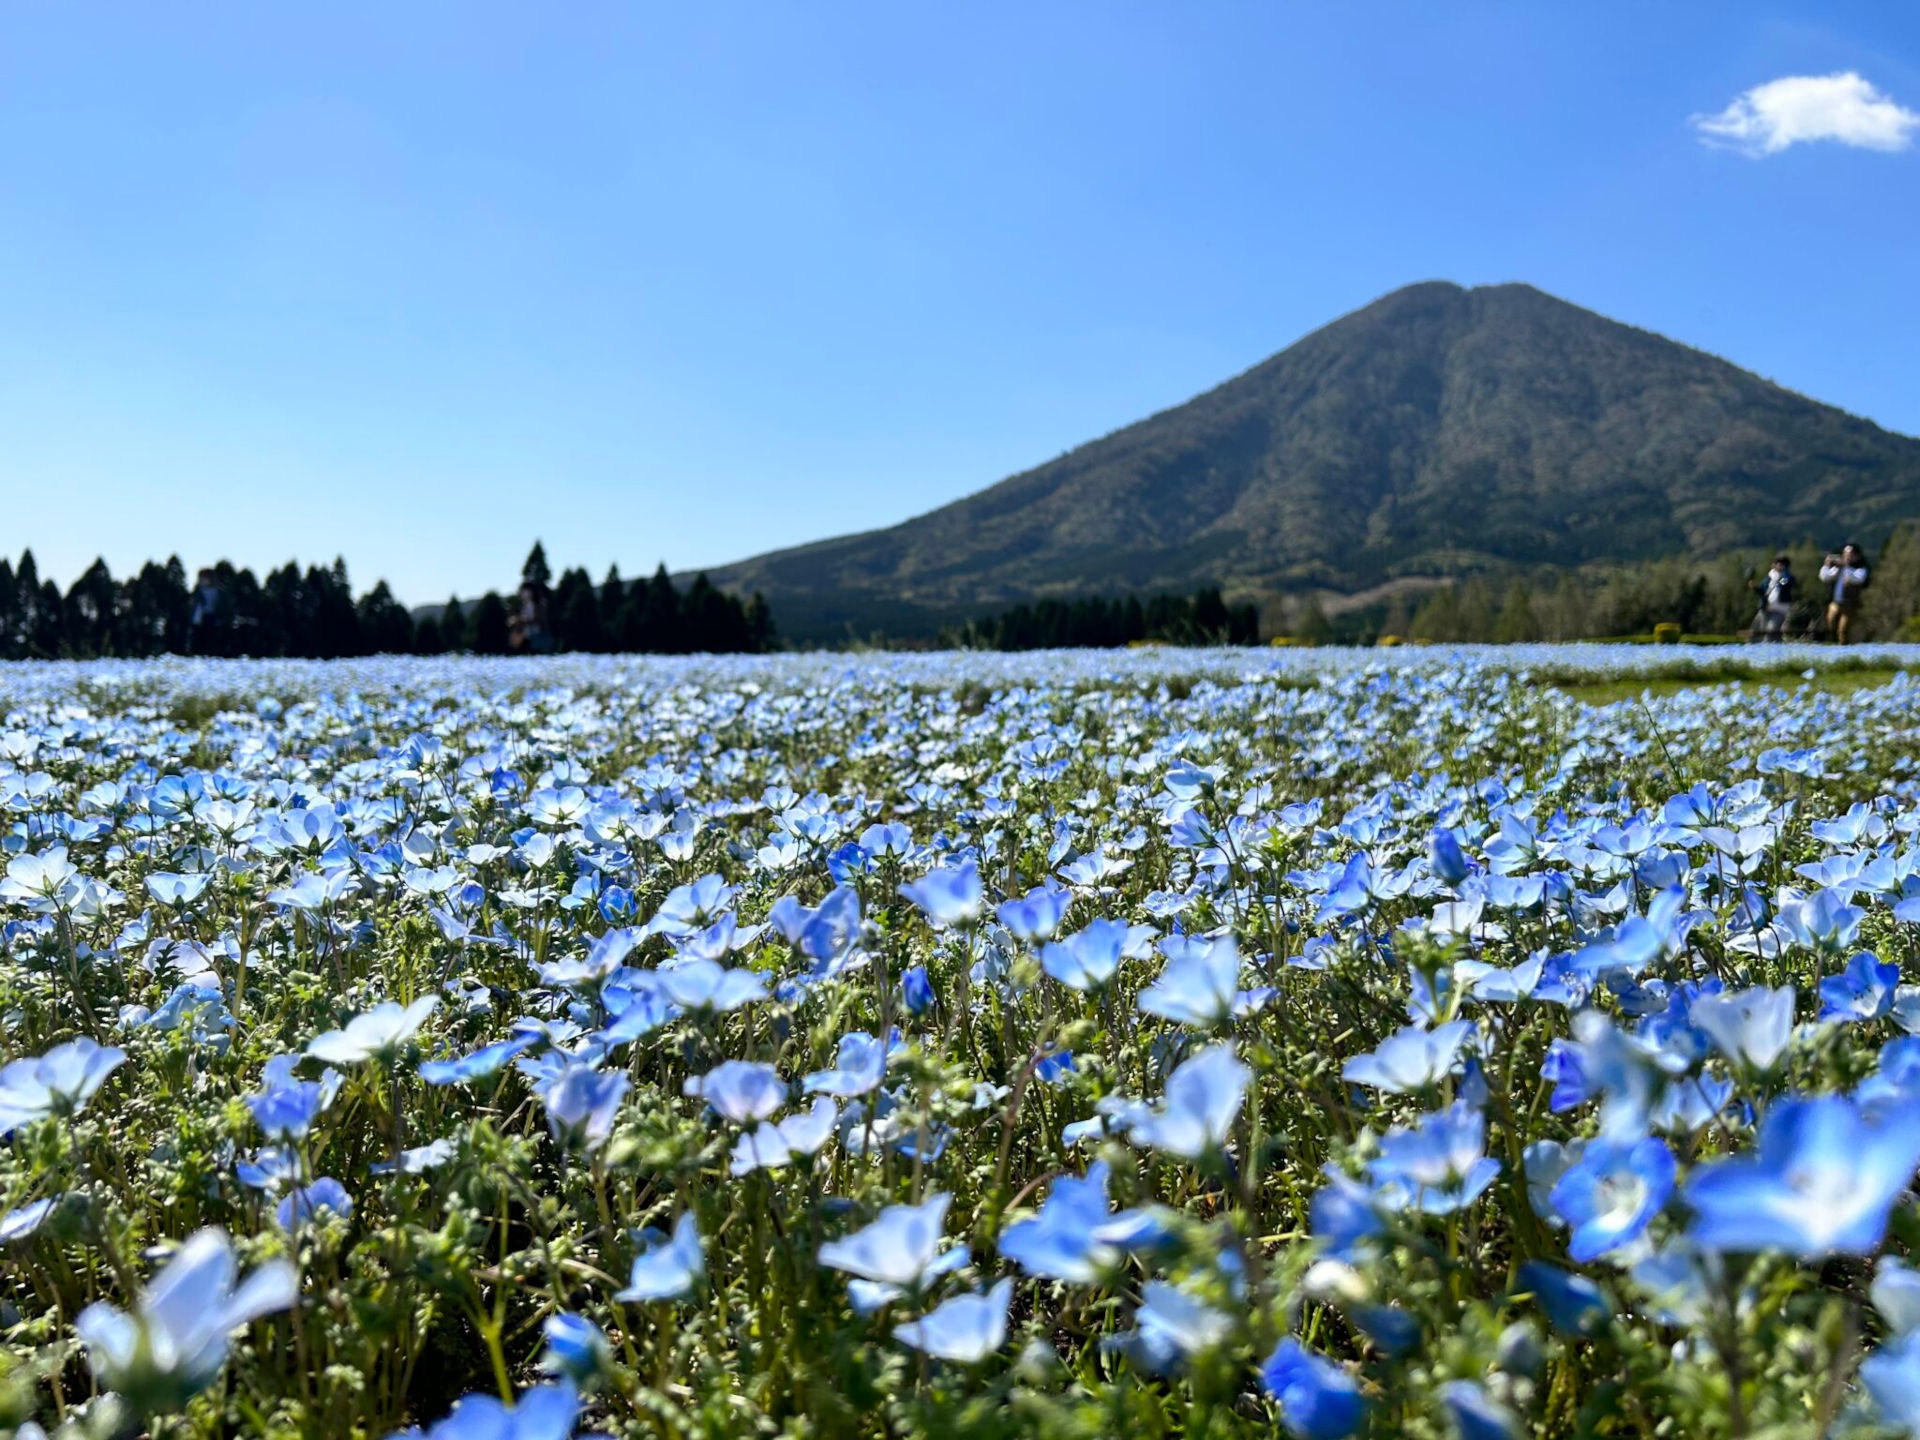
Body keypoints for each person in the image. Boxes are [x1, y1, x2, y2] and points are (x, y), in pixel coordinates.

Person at [1819, 542, 1870, 645]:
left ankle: (1843, 647)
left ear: (1857, 556)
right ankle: (1833, 644)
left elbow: (1858, 579)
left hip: (1850, 605)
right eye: (1845, 554)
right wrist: (1826, 565)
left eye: (1850, 554)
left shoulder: (1860, 569)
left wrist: (1845, 566)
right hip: (1835, 602)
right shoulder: (1838, 568)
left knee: (1843, 630)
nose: (1847, 557)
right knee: (1830, 624)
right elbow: (1824, 577)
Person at [1747, 554, 1795, 642]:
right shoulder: (1769, 577)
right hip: (1765, 608)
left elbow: (1785, 583)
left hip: (1780, 610)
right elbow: (1762, 591)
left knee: (1772, 631)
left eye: (1781, 564)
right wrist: (1755, 587)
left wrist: (1780, 576)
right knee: (1756, 631)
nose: (1779, 565)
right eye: (1777, 563)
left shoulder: (1787, 577)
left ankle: (1772, 647)